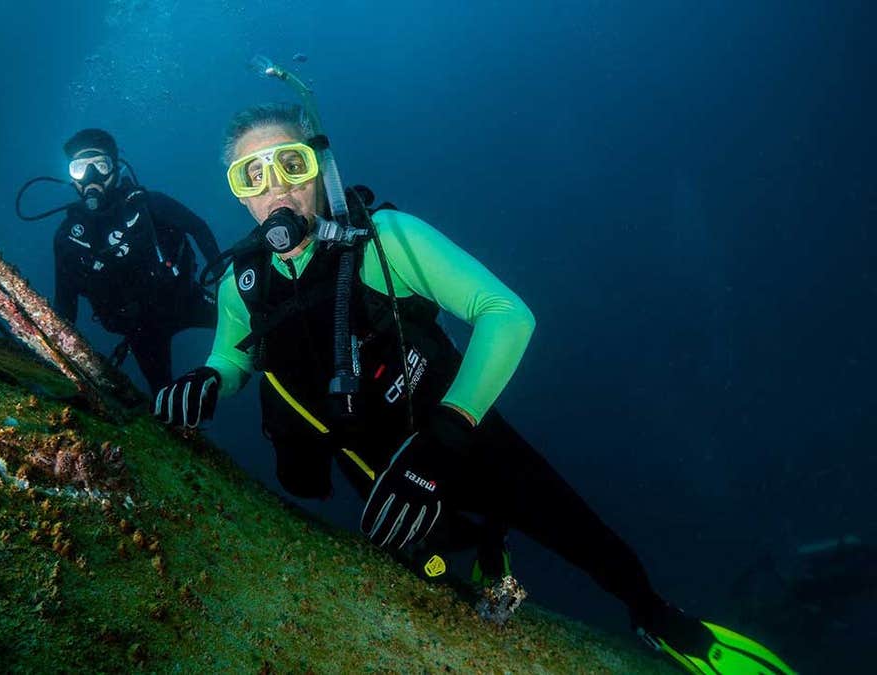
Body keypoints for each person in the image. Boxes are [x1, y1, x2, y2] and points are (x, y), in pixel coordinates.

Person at [153, 103, 795, 675]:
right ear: (238, 195)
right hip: (370, 466)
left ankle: (661, 619)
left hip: (458, 437)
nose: (276, 190)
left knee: (581, 536)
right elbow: (232, 353)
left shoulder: (385, 241)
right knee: (437, 568)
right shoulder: (243, 280)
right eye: (251, 176)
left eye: (289, 163)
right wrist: (211, 379)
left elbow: (507, 313)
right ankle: (486, 544)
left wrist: (450, 429)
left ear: (322, 169)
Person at [50, 128, 220, 394]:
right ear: (71, 177)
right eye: (80, 168)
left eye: (100, 165)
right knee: (163, 394)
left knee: (247, 325)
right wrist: (56, 356)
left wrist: (223, 279)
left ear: (115, 169)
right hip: (141, 330)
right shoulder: (68, 240)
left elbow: (198, 227)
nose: (91, 177)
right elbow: (65, 306)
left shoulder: (150, 204)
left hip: (186, 299)